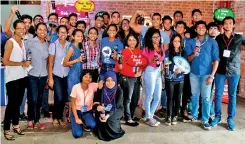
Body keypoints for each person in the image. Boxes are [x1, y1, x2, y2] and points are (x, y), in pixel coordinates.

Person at [211, 16, 245, 131]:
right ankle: (217, 117)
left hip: (234, 71)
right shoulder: (218, 38)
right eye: (225, 23)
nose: (228, 25)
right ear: (223, 25)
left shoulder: (239, 38)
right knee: (218, 95)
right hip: (220, 70)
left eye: (230, 23)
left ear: (233, 25)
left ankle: (230, 119)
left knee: (232, 96)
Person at [184, 20, 219, 130]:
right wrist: (194, 52)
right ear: (195, 29)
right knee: (194, 95)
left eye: (203, 27)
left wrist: (212, 76)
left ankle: (205, 119)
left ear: (206, 29)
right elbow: (188, 59)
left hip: (207, 74)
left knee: (206, 98)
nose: (201, 29)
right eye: (198, 27)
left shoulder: (212, 42)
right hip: (194, 74)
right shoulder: (190, 42)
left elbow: (216, 60)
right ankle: (194, 115)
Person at [3, 20, 29, 140]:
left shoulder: (23, 42)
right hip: (12, 78)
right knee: (11, 104)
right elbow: (5, 61)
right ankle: (6, 129)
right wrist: (22, 63)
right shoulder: (10, 42)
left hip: (22, 76)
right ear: (14, 29)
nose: (22, 30)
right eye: (20, 28)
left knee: (18, 103)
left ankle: (15, 125)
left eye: (24, 28)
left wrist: (26, 64)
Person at [119, 34, 148, 126]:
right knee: (128, 98)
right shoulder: (124, 51)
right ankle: (128, 119)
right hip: (127, 77)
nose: (132, 42)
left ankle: (130, 115)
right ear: (127, 42)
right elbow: (121, 66)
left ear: (137, 41)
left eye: (134, 40)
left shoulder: (140, 51)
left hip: (136, 77)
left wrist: (140, 71)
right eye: (130, 40)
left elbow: (144, 63)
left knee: (135, 98)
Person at [26, 23, 49, 130]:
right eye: (40, 29)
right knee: (33, 98)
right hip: (32, 75)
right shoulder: (30, 42)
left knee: (39, 98)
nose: (42, 32)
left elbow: (48, 60)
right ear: (36, 31)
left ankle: (37, 119)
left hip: (43, 76)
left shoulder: (47, 44)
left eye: (44, 30)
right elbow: (24, 55)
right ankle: (30, 119)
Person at [48, 25, 70, 126]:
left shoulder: (69, 45)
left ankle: (61, 116)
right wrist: (50, 78)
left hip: (67, 74)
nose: (63, 34)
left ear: (67, 34)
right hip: (56, 75)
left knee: (64, 97)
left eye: (65, 32)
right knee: (59, 97)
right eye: (61, 32)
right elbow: (50, 62)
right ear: (57, 34)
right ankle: (56, 117)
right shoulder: (53, 45)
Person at [93, 71, 125, 141]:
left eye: (112, 80)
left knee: (109, 118)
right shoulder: (101, 88)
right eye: (107, 80)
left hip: (117, 109)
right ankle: (102, 133)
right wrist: (98, 106)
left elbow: (116, 106)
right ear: (104, 81)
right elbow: (96, 101)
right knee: (100, 115)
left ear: (115, 80)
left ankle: (115, 131)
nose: (110, 82)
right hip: (104, 108)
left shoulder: (119, 90)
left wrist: (108, 116)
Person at [142, 28, 165, 127]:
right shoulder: (147, 49)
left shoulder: (161, 46)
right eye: (154, 37)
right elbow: (144, 63)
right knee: (149, 95)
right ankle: (148, 117)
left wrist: (163, 67)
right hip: (149, 71)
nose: (157, 39)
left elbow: (162, 60)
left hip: (158, 72)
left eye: (158, 37)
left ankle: (150, 115)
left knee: (157, 97)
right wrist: (152, 60)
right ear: (150, 38)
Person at [63, 29, 85, 121]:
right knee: (72, 97)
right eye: (78, 36)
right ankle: (70, 117)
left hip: (80, 73)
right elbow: (65, 63)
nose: (80, 37)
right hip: (73, 75)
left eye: (81, 36)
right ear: (73, 37)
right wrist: (77, 60)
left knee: (78, 96)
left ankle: (75, 116)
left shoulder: (81, 46)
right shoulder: (71, 48)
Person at [70, 70, 99, 138]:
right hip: (76, 111)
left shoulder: (93, 86)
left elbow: (102, 84)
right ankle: (76, 121)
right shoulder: (75, 87)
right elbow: (73, 104)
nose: (88, 78)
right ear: (81, 77)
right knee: (78, 134)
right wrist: (76, 118)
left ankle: (84, 121)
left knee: (92, 124)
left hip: (87, 111)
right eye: (85, 76)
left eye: (90, 77)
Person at [164, 34, 185, 126]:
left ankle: (175, 115)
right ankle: (169, 116)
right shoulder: (168, 52)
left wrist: (181, 69)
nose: (177, 43)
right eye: (175, 41)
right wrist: (167, 68)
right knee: (170, 98)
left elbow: (186, 66)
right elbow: (166, 64)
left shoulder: (183, 52)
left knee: (177, 98)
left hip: (180, 79)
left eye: (178, 41)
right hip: (170, 79)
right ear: (172, 42)